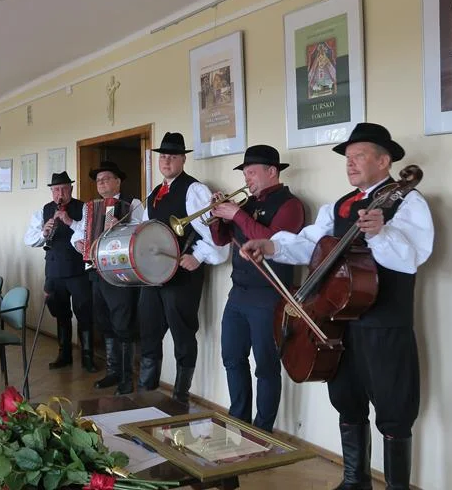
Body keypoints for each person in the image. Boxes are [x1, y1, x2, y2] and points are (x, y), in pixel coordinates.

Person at [241, 123, 434, 490]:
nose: (350, 164)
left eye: (359, 156)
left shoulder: (407, 201)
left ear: (384, 160)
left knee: (393, 411)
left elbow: (412, 259)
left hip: (384, 324)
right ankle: (354, 481)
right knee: (347, 401)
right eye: (348, 158)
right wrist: (270, 246)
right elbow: (311, 245)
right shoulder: (340, 205)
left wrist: (382, 233)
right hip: (337, 324)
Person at [208, 145, 305, 432]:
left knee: (265, 365)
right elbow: (221, 240)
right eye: (245, 173)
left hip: (270, 295)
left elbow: (275, 241)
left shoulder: (291, 205)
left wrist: (236, 214)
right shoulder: (246, 205)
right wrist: (217, 217)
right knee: (232, 357)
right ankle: (238, 420)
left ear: (272, 172)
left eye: (251, 172)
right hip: (238, 293)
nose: (246, 178)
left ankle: (263, 430)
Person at [138, 132, 228, 404]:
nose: (166, 161)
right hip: (153, 277)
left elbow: (214, 236)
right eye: (163, 156)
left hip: (182, 276)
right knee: (149, 333)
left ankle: (180, 397)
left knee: (182, 335)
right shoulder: (154, 193)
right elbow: (145, 231)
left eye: (172, 156)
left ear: (182, 160)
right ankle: (146, 394)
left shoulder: (194, 190)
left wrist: (197, 257)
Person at [70, 160, 143, 394]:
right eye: (98, 180)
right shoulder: (90, 207)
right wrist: (78, 242)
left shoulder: (132, 204)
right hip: (95, 272)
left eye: (106, 179)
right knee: (104, 322)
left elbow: (141, 233)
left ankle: (126, 377)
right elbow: (80, 232)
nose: (101, 183)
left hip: (119, 273)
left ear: (118, 181)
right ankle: (113, 371)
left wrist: (120, 229)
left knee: (122, 323)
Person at [24, 171, 96, 372]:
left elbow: (90, 234)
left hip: (78, 270)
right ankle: (64, 354)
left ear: (71, 189)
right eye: (56, 190)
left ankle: (88, 357)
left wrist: (69, 221)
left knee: (84, 314)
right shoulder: (43, 211)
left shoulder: (84, 208)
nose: (60, 193)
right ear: (51, 192)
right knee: (61, 314)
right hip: (54, 270)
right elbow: (29, 240)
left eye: (64, 188)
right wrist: (44, 232)